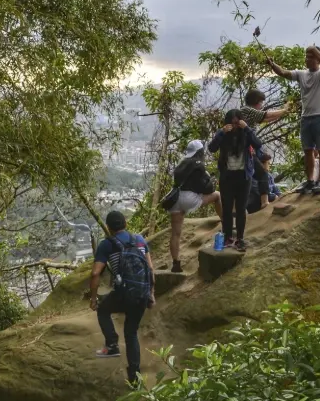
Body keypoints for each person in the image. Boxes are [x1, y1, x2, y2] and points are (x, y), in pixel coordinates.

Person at [89, 210, 154, 385]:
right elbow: (150, 269)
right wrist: (151, 294)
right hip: (141, 293)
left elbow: (96, 273)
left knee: (102, 309)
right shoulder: (139, 240)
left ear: (109, 228)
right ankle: (135, 378)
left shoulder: (107, 244)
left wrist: (93, 298)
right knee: (131, 332)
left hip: (124, 293)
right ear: (125, 223)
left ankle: (112, 346)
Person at [267, 46, 320, 194]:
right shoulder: (302, 74)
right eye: (306, 56)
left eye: (311, 56)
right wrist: (272, 64)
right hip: (306, 118)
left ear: (318, 59)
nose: (307, 59)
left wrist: (313, 49)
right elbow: (283, 72)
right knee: (308, 150)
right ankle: (310, 181)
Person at [208, 109, 265, 251]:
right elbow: (212, 148)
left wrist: (247, 128)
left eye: (236, 123)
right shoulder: (223, 135)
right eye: (231, 123)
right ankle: (227, 237)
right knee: (227, 208)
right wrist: (221, 132)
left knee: (241, 208)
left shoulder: (246, 134)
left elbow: (258, 144)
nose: (234, 126)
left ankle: (240, 238)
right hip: (227, 176)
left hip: (243, 176)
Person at [168, 140, 221, 273]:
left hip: (175, 199)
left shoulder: (181, 164)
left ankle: (175, 263)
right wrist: (210, 180)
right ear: (200, 151)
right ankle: (225, 221)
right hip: (189, 198)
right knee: (217, 196)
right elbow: (207, 189)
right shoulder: (198, 164)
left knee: (175, 233)